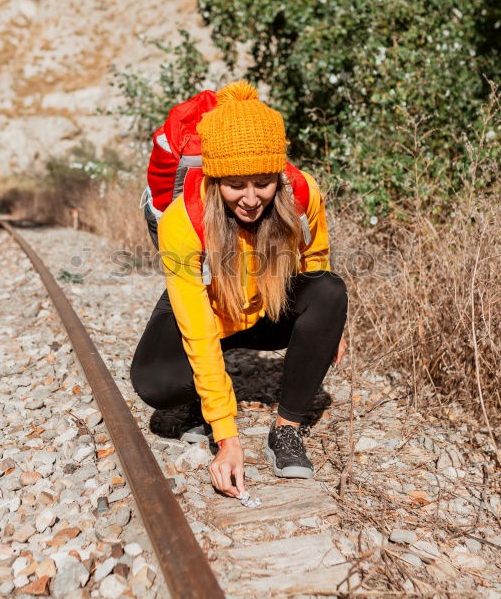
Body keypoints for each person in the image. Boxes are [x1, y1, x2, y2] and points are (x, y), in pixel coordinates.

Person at [130, 81, 348, 498]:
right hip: (211, 312)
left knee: (329, 291)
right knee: (154, 383)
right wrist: (227, 438)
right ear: (214, 181)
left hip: (267, 308)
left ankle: (286, 431)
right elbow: (196, 327)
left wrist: (330, 328)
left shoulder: (302, 192)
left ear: (277, 176)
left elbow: (316, 260)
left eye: (262, 182)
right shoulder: (184, 221)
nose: (250, 199)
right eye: (235, 185)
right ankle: (202, 400)